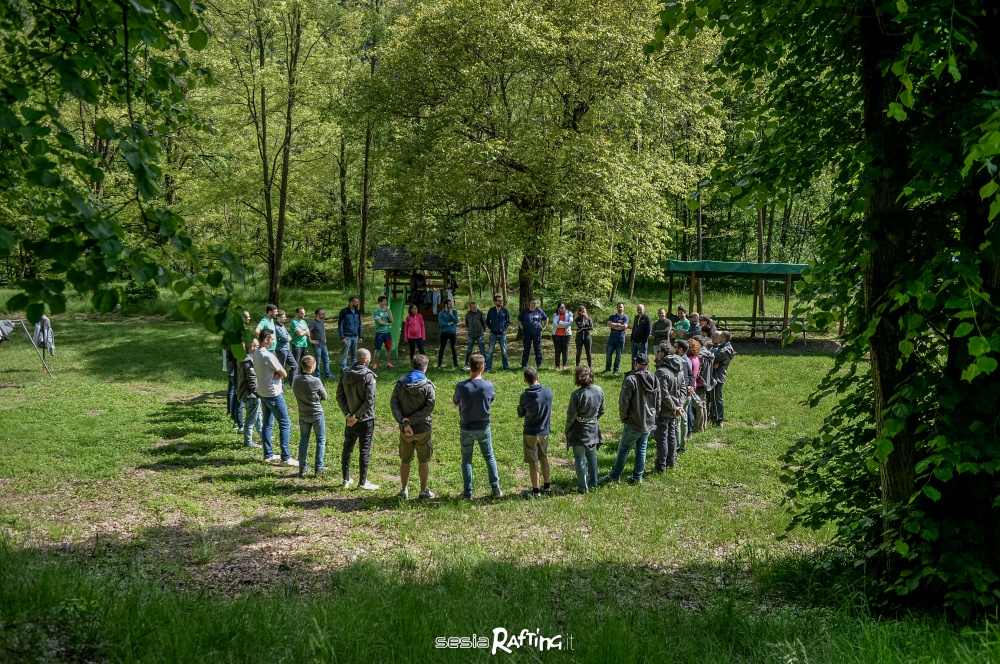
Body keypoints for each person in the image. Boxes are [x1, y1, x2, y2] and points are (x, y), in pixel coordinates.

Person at [602, 353, 659, 484]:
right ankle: (638, 477)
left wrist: (624, 417)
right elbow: (658, 399)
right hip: (649, 420)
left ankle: (615, 476)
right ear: (647, 364)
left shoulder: (631, 379)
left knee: (624, 449)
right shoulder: (654, 378)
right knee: (642, 448)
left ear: (635, 363)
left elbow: (624, 402)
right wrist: (655, 415)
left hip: (633, 422)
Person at [453, 353, 502, 499]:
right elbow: (491, 399)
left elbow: (455, 402)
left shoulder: (461, 386)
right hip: (483, 426)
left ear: (470, 366)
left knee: (467, 459)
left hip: (466, 427)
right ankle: (496, 489)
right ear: (482, 367)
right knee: (489, 457)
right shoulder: (488, 385)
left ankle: (468, 492)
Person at [390, 353, 436, 500]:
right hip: (423, 429)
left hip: (405, 430)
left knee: (405, 460)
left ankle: (403, 490)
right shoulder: (428, 386)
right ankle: (423, 491)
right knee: (423, 461)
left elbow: (394, 404)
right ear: (425, 367)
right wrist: (411, 420)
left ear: (412, 365)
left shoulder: (400, 384)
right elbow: (429, 407)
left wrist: (404, 422)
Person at [253, 330, 298, 466]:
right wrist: (278, 373)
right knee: (285, 423)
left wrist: (276, 373)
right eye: (271, 339)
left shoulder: (255, 352)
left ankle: (268, 454)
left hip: (262, 391)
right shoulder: (268, 356)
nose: (273, 341)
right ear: (266, 339)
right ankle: (286, 457)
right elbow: (284, 373)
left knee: (267, 423)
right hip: (273, 393)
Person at [336, 348, 379, 490]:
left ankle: (345, 479)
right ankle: (363, 482)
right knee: (364, 450)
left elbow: (339, 396)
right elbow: (370, 400)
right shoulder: (368, 376)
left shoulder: (345, 373)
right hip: (366, 420)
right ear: (367, 360)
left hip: (350, 420)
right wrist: (357, 416)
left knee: (347, 448)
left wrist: (348, 414)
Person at [565, 365, 605, 493]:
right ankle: (594, 482)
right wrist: (592, 419)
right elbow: (602, 411)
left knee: (579, 458)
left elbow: (571, 416)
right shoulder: (599, 390)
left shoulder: (576, 395)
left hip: (579, 432)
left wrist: (567, 429)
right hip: (593, 429)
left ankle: (583, 487)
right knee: (592, 457)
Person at [517, 366, 553, 497]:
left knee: (533, 462)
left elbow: (521, 413)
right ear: (537, 377)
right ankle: (547, 486)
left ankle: (536, 490)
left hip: (530, 432)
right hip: (544, 432)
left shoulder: (525, 396)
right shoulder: (548, 392)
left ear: (525, 380)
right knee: (544, 458)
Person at [652, 341, 686, 471]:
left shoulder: (661, 372)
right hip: (675, 409)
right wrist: (679, 405)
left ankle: (661, 466)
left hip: (665, 410)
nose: (656, 354)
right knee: (671, 436)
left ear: (663, 353)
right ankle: (671, 462)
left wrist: (675, 407)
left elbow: (663, 394)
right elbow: (683, 390)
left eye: (658, 352)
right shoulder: (680, 369)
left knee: (662, 438)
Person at [293, 355, 327, 477]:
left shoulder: (296, 380)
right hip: (317, 414)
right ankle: (319, 468)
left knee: (304, 440)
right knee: (321, 440)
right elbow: (325, 396)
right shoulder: (316, 381)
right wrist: (316, 397)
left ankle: (302, 468)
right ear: (312, 366)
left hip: (303, 414)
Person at [237, 338, 262, 448]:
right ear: (249, 347)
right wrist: (258, 393)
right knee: (251, 420)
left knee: (258, 417)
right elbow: (252, 380)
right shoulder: (248, 361)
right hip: (251, 395)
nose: (257, 348)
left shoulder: (247, 358)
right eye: (255, 346)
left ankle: (263, 436)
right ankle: (248, 442)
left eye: (258, 345)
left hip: (251, 394)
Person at [709, 331, 735, 426]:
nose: (717, 338)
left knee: (717, 398)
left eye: (719, 336)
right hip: (715, 374)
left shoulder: (726, 349)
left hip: (718, 376)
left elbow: (714, 357)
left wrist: (714, 358)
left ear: (723, 337)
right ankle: (713, 417)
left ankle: (719, 420)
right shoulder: (721, 347)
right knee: (713, 398)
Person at [674, 339, 694, 452]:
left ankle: (677, 446)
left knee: (678, 421)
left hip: (681, 394)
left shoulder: (679, 361)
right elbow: (691, 375)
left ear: (680, 349)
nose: (673, 348)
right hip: (687, 393)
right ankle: (683, 445)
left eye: (675, 346)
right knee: (684, 419)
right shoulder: (688, 360)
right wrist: (691, 386)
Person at [485, 294, 511, 371]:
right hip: (493, 333)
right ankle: (488, 367)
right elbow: (487, 321)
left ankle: (506, 367)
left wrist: (504, 328)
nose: (500, 302)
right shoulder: (491, 310)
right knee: (490, 351)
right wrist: (491, 328)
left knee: (504, 351)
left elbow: (508, 321)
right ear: (495, 302)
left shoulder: (505, 310)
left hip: (502, 334)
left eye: (501, 301)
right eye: (499, 301)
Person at [519, 299, 548, 368]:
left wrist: (544, 327)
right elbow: (519, 320)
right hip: (527, 334)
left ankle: (539, 365)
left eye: (535, 303)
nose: (534, 304)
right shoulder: (525, 311)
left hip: (537, 333)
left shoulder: (539, 311)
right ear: (529, 303)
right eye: (532, 303)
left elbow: (546, 318)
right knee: (526, 349)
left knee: (537, 349)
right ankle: (524, 365)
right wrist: (522, 327)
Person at [338, 297, 362, 370]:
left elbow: (360, 324)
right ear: (350, 302)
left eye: (358, 302)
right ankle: (343, 368)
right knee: (345, 353)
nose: (357, 304)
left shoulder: (358, 312)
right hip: (346, 336)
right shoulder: (344, 311)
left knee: (354, 354)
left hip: (355, 336)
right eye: (355, 302)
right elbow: (340, 325)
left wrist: (360, 336)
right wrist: (342, 337)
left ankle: (354, 368)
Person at [273, 309, 298, 382]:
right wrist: (287, 337)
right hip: (281, 350)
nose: (285, 318)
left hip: (287, 349)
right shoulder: (276, 327)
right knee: (281, 369)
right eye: (283, 317)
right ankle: (280, 386)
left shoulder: (282, 326)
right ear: (278, 318)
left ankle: (292, 382)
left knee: (295, 366)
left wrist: (287, 337)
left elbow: (289, 336)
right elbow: (286, 338)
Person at [605, 302, 629, 374]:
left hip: (621, 339)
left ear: (623, 308)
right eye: (619, 307)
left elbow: (624, 326)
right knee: (608, 354)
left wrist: (614, 326)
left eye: (621, 307)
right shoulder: (612, 316)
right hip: (612, 339)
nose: (620, 308)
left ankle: (616, 370)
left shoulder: (625, 317)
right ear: (617, 308)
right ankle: (607, 369)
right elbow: (608, 324)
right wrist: (618, 325)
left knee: (618, 356)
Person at [686, 338, 704, 434]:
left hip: (690, 386)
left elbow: (690, 375)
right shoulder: (696, 358)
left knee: (692, 408)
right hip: (695, 384)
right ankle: (698, 427)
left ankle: (694, 428)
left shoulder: (689, 360)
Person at [309, 309, 333, 379]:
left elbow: (323, 331)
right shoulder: (313, 323)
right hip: (317, 344)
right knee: (317, 360)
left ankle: (327, 374)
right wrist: (311, 340)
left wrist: (325, 338)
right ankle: (317, 375)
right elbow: (308, 331)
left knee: (326, 359)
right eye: (322, 313)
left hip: (323, 344)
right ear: (317, 314)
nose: (324, 315)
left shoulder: (321, 321)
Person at [372, 295, 394, 370]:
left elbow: (392, 320)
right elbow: (380, 322)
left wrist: (389, 311)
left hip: (387, 333)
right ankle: (375, 364)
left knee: (389, 348)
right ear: (380, 302)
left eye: (386, 301)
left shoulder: (388, 310)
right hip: (379, 333)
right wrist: (387, 323)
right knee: (377, 349)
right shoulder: (376, 311)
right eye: (384, 301)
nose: (386, 302)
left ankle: (389, 363)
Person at [464, 301, 487, 370]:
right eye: (472, 307)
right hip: (471, 335)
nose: (474, 308)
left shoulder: (480, 313)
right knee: (469, 350)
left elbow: (484, 323)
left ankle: (485, 364)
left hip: (479, 334)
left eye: (475, 307)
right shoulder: (467, 314)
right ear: (470, 308)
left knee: (482, 350)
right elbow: (467, 323)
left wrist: (483, 331)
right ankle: (466, 364)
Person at [436, 299, 459, 368]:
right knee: (442, 348)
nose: (451, 305)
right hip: (444, 333)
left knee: (453, 348)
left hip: (452, 333)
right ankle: (439, 365)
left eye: (451, 303)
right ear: (445, 305)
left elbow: (456, 321)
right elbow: (441, 323)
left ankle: (456, 365)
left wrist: (451, 314)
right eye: (449, 304)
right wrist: (449, 323)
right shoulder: (441, 313)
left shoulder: (454, 312)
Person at [551, 302, 573, 371]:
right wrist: (564, 324)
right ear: (558, 308)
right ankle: (557, 366)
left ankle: (564, 366)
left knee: (565, 350)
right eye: (560, 307)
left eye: (563, 307)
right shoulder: (555, 314)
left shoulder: (569, 314)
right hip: (556, 335)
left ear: (565, 308)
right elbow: (555, 325)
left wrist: (560, 322)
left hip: (566, 335)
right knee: (557, 350)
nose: (562, 309)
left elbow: (570, 323)